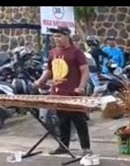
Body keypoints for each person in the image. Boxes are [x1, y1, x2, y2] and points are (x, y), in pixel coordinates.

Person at [34, 26, 92, 156]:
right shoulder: (53, 52)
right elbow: (49, 70)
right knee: (62, 121)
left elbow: (85, 70)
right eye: (55, 36)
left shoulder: (76, 52)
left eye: (59, 36)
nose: (56, 39)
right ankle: (63, 146)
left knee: (79, 120)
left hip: (73, 93)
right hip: (57, 92)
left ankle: (86, 148)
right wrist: (40, 81)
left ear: (67, 37)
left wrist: (81, 87)